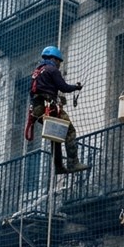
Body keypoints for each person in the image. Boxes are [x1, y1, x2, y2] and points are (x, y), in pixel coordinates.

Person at [29, 46, 89, 174]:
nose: (59, 65)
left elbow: (33, 92)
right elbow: (63, 87)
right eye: (59, 62)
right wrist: (76, 87)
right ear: (54, 59)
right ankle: (73, 163)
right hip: (49, 107)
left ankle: (58, 166)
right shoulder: (52, 70)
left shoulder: (37, 72)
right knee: (69, 130)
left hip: (37, 110)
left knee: (56, 134)